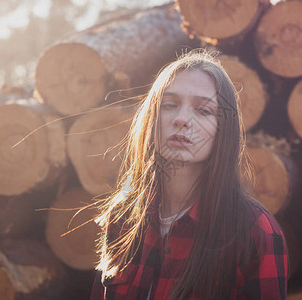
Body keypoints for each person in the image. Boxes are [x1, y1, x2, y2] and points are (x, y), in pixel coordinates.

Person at [90, 50, 288, 300]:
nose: (182, 119)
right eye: (170, 105)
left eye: (203, 111)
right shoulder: (123, 217)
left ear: (222, 130)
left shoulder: (255, 232)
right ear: (152, 118)